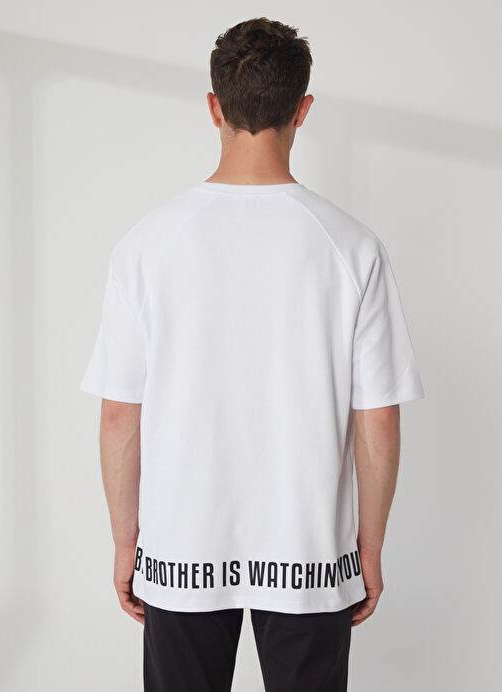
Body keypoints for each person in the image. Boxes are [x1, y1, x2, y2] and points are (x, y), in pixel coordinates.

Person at [80, 16, 425, 692]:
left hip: (180, 550)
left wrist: (126, 542)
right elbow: (378, 418)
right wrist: (369, 547)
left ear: (214, 107)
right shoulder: (351, 247)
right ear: (303, 108)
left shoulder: (147, 245)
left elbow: (120, 413)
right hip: (308, 552)